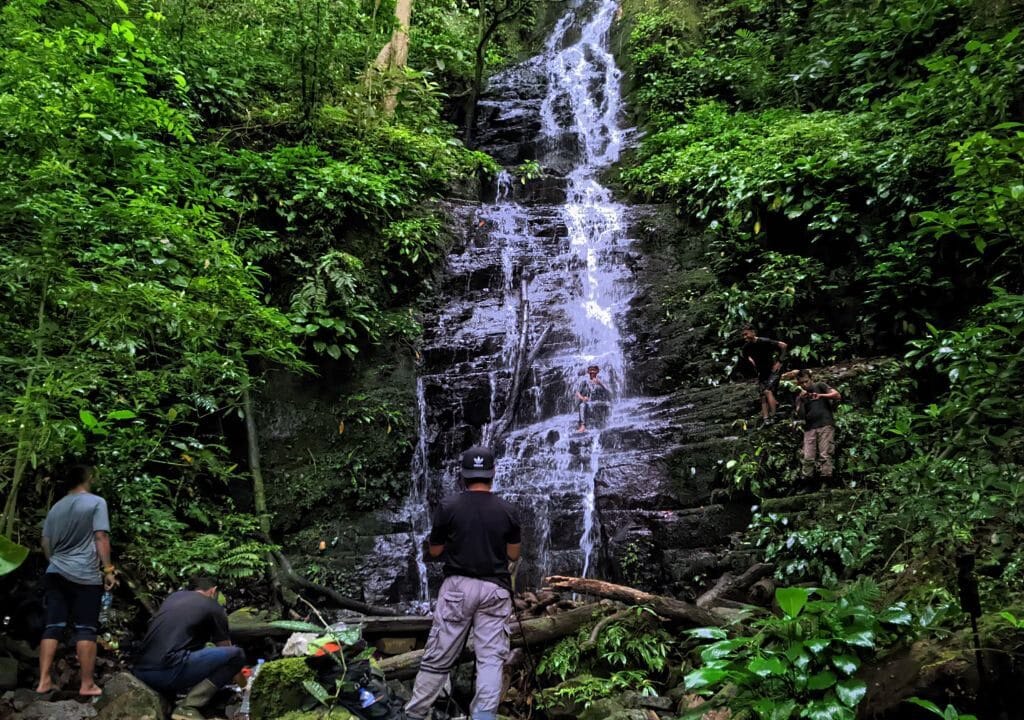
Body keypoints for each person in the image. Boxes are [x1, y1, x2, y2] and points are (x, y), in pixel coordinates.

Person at [403, 446, 522, 720]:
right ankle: (483, 717)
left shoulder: (449, 506)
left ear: (463, 475)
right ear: (493, 473)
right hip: (495, 590)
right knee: (490, 660)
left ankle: (415, 714)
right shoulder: (508, 510)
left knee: (439, 655)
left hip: (457, 588)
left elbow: (435, 551)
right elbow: (514, 554)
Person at [36, 464, 116, 697]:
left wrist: (56, 562)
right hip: (84, 574)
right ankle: (87, 684)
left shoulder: (56, 507)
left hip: (55, 571)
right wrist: (108, 569)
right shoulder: (96, 502)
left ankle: (43, 681)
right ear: (88, 477)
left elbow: (45, 542)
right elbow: (100, 536)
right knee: (86, 628)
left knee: (53, 626)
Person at [133, 577, 245, 720]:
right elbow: (227, 652)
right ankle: (188, 707)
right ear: (213, 591)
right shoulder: (213, 606)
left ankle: (172, 702)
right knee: (237, 654)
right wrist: (244, 684)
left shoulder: (173, 598)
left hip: (141, 672)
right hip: (167, 672)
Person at [795, 370, 842, 485]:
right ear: (798, 383)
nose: (805, 384)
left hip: (825, 423)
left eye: (806, 381)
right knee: (808, 457)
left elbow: (837, 395)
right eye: (801, 383)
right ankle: (807, 483)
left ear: (811, 379)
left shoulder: (820, 386)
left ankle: (826, 482)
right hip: (809, 427)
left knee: (825, 454)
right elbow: (800, 415)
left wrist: (821, 395)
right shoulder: (800, 396)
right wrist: (801, 401)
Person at [741, 326, 788, 423]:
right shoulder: (746, 347)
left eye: (746, 334)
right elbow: (746, 356)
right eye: (743, 335)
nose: (745, 337)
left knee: (767, 391)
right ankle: (766, 418)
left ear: (753, 332)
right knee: (762, 395)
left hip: (773, 370)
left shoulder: (764, 341)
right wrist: (753, 364)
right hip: (762, 372)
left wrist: (780, 362)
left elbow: (783, 345)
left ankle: (773, 416)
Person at [575, 364, 606, 433]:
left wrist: (600, 384)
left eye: (594, 370)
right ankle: (583, 425)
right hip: (589, 402)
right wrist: (583, 398)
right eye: (590, 370)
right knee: (582, 405)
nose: (592, 372)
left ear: (597, 371)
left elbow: (608, 392)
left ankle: (604, 423)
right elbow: (577, 393)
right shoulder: (585, 381)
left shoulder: (602, 380)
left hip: (599, 401)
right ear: (588, 372)